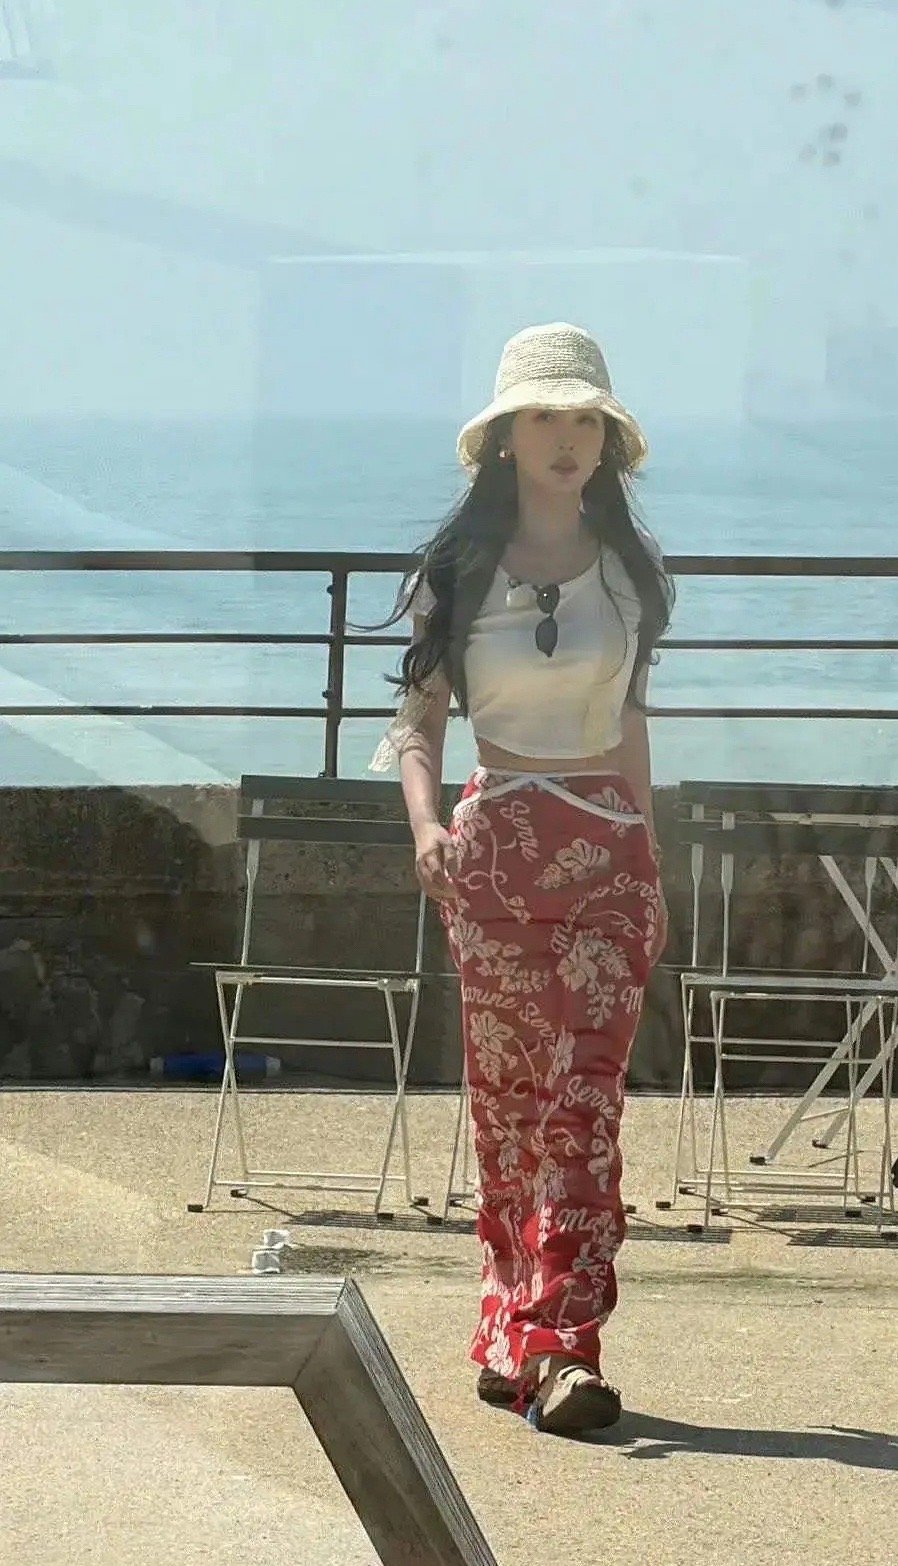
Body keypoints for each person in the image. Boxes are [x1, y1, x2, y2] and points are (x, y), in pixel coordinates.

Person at [366, 321, 673, 1437]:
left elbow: (629, 723)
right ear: (505, 437)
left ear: (606, 441)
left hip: (607, 860)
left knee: (584, 1103)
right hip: (492, 856)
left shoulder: (630, 573)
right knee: (508, 1107)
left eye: (584, 418)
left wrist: (649, 858)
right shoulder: (458, 573)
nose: (566, 437)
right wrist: (424, 831)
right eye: (545, 416)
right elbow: (418, 725)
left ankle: (560, 1345)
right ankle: (506, 1325)